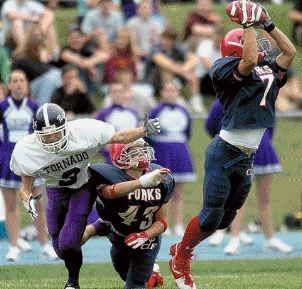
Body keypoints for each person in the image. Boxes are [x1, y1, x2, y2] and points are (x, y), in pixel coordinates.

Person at [168, 2, 296, 288]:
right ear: (237, 48)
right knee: (211, 213)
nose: (260, 47)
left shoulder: (265, 70)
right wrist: (247, 25)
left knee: (223, 220)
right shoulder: (222, 68)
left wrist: (268, 24)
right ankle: (181, 257)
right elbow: (248, 61)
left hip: (246, 157)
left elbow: (289, 52)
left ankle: (181, 249)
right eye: (249, 42)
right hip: (224, 152)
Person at [10, 103, 160, 289]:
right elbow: (26, 186)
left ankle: (72, 282)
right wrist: (27, 200)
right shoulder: (27, 149)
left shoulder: (84, 131)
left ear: (65, 126)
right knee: (60, 250)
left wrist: (144, 130)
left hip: (82, 187)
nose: (52, 139)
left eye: (55, 133)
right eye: (46, 136)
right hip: (55, 191)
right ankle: (103, 226)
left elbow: (119, 137)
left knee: (69, 243)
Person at [82, 138, 174, 289]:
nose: (142, 153)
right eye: (135, 150)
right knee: (125, 271)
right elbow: (110, 193)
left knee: (135, 285)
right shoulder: (108, 176)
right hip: (119, 235)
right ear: (120, 157)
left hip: (148, 240)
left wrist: (145, 235)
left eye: (143, 148)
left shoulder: (162, 178)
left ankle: (147, 275)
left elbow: (162, 222)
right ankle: (152, 276)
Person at [206, 99, 293, 255]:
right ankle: (234, 239)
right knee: (238, 199)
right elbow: (211, 125)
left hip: (263, 149)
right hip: (240, 150)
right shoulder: (224, 97)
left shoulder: (263, 97)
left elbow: (270, 124)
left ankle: (270, 239)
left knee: (264, 199)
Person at [0, 70, 57, 261]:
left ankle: (44, 244)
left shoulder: (34, 107)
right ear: (9, 85)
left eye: (21, 81)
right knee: (10, 205)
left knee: (38, 203)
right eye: (14, 81)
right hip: (7, 159)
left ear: (26, 85)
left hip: (30, 160)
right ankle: (14, 246)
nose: (18, 84)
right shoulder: (2, 107)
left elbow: (42, 135)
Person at [148, 82, 197, 236]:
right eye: (167, 90)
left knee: (179, 193)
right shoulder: (155, 110)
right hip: (162, 151)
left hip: (180, 152)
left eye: (174, 90)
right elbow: (148, 134)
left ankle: (179, 224)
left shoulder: (184, 111)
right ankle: (162, 224)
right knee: (160, 192)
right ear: (162, 92)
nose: (171, 93)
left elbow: (188, 132)